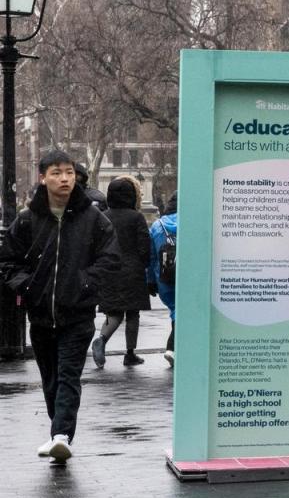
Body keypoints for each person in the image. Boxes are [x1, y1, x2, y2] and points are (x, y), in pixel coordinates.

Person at [0, 149, 119, 462]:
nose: (64, 178)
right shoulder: (28, 219)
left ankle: (61, 435)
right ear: (43, 177)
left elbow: (110, 258)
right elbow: (8, 260)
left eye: (68, 172)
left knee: (68, 375)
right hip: (39, 315)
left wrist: (85, 283)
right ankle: (59, 431)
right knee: (50, 377)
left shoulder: (93, 218)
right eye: (56, 172)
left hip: (77, 314)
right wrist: (26, 286)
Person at [91, 176, 152, 368]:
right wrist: (144, 264)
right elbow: (144, 246)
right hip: (132, 270)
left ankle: (101, 339)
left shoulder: (103, 216)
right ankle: (130, 354)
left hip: (109, 269)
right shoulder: (136, 217)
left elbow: (95, 244)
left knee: (113, 311)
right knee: (132, 313)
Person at [148, 194, 178, 366]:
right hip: (187, 274)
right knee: (182, 311)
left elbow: (151, 258)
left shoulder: (157, 225)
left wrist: (150, 281)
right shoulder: (192, 221)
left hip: (164, 276)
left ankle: (174, 349)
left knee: (176, 309)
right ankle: (172, 348)